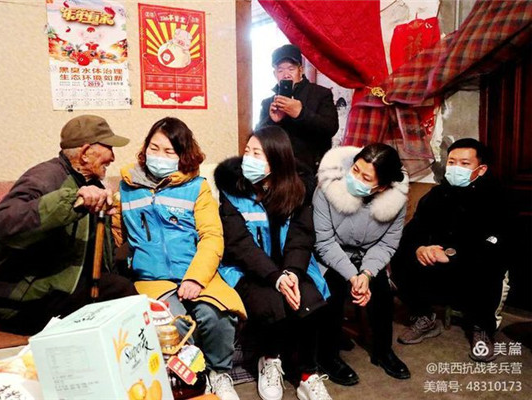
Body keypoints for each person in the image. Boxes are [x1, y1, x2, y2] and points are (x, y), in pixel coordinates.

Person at [116, 117, 246, 400]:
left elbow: (212, 236)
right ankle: (192, 378)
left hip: (197, 272)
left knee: (217, 315)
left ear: (183, 155)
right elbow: (116, 233)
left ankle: (219, 373)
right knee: (173, 324)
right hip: (152, 279)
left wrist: (196, 278)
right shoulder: (127, 187)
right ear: (145, 148)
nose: (159, 156)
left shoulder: (197, 187)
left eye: (169, 151)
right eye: (154, 148)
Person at [0, 115, 137, 335]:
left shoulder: (92, 183)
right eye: (109, 148)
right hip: (24, 300)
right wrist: (71, 200)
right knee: (122, 292)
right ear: (85, 152)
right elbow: (2, 222)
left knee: (123, 290)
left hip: (64, 288)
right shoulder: (44, 177)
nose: (113, 156)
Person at [215, 126, 333, 400]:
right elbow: (239, 244)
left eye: (257, 154)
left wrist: (291, 273)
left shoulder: (298, 190)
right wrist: (275, 277)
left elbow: (301, 237)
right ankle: (269, 359)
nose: (248, 158)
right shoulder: (232, 191)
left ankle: (308, 374)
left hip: (291, 267)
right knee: (272, 305)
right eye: (247, 151)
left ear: (277, 159)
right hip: (248, 269)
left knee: (310, 301)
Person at [391, 138, 512, 362]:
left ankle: (481, 327)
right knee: (400, 254)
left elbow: (499, 241)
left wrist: (452, 255)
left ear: (481, 169)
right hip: (436, 259)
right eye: (452, 162)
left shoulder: (496, 198)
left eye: (464, 164)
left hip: (473, 262)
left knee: (490, 264)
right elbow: (415, 229)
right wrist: (420, 248)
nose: (456, 168)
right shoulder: (436, 195)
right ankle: (424, 315)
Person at [313, 143, 411, 384]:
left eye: (366, 178)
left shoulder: (396, 201)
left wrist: (366, 274)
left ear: (382, 187)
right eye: (355, 170)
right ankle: (327, 356)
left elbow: (387, 244)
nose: (355, 178)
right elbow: (324, 242)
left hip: (368, 257)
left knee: (382, 292)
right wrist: (352, 275)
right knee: (332, 291)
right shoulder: (327, 187)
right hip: (331, 255)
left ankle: (383, 351)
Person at [257, 44, 339, 174]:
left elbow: (330, 128)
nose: (286, 75)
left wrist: (301, 113)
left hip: (311, 171)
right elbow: (258, 138)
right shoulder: (268, 103)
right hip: (278, 171)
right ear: (275, 74)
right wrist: (272, 120)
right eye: (280, 70)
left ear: (300, 70)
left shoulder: (320, 94)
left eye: (291, 69)